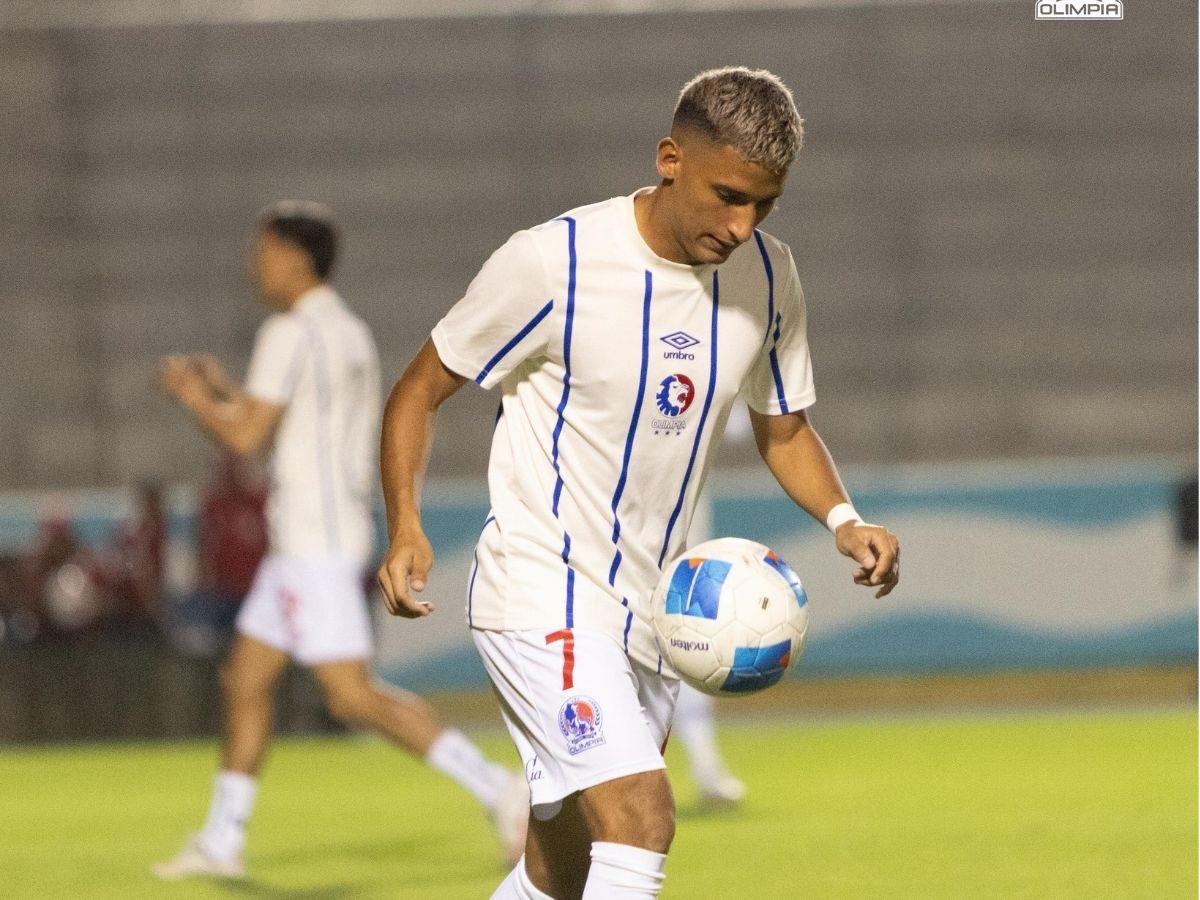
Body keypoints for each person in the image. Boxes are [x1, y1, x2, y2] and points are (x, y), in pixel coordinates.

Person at [378, 68, 901, 899]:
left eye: (764, 205)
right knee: (642, 819)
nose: (742, 225)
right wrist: (406, 523)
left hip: (655, 617)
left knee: (561, 870)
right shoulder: (553, 262)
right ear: (670, 159)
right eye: (728, 196)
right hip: (541, 589)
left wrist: (844, 518)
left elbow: (785, 426)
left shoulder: (770, 277)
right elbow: (418, 389)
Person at [153, 201, 527, 881]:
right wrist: (223, 389)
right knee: (246, 679)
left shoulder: (288, 331)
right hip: (315, 538)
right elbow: (293, 420)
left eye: (263, 252)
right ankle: (222, 839)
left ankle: (499, 788)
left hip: (311, 544)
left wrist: (189, 395)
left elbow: (246, 436)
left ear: (296, 259)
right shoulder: (347, 331)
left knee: (351, 697)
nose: (254, 265)